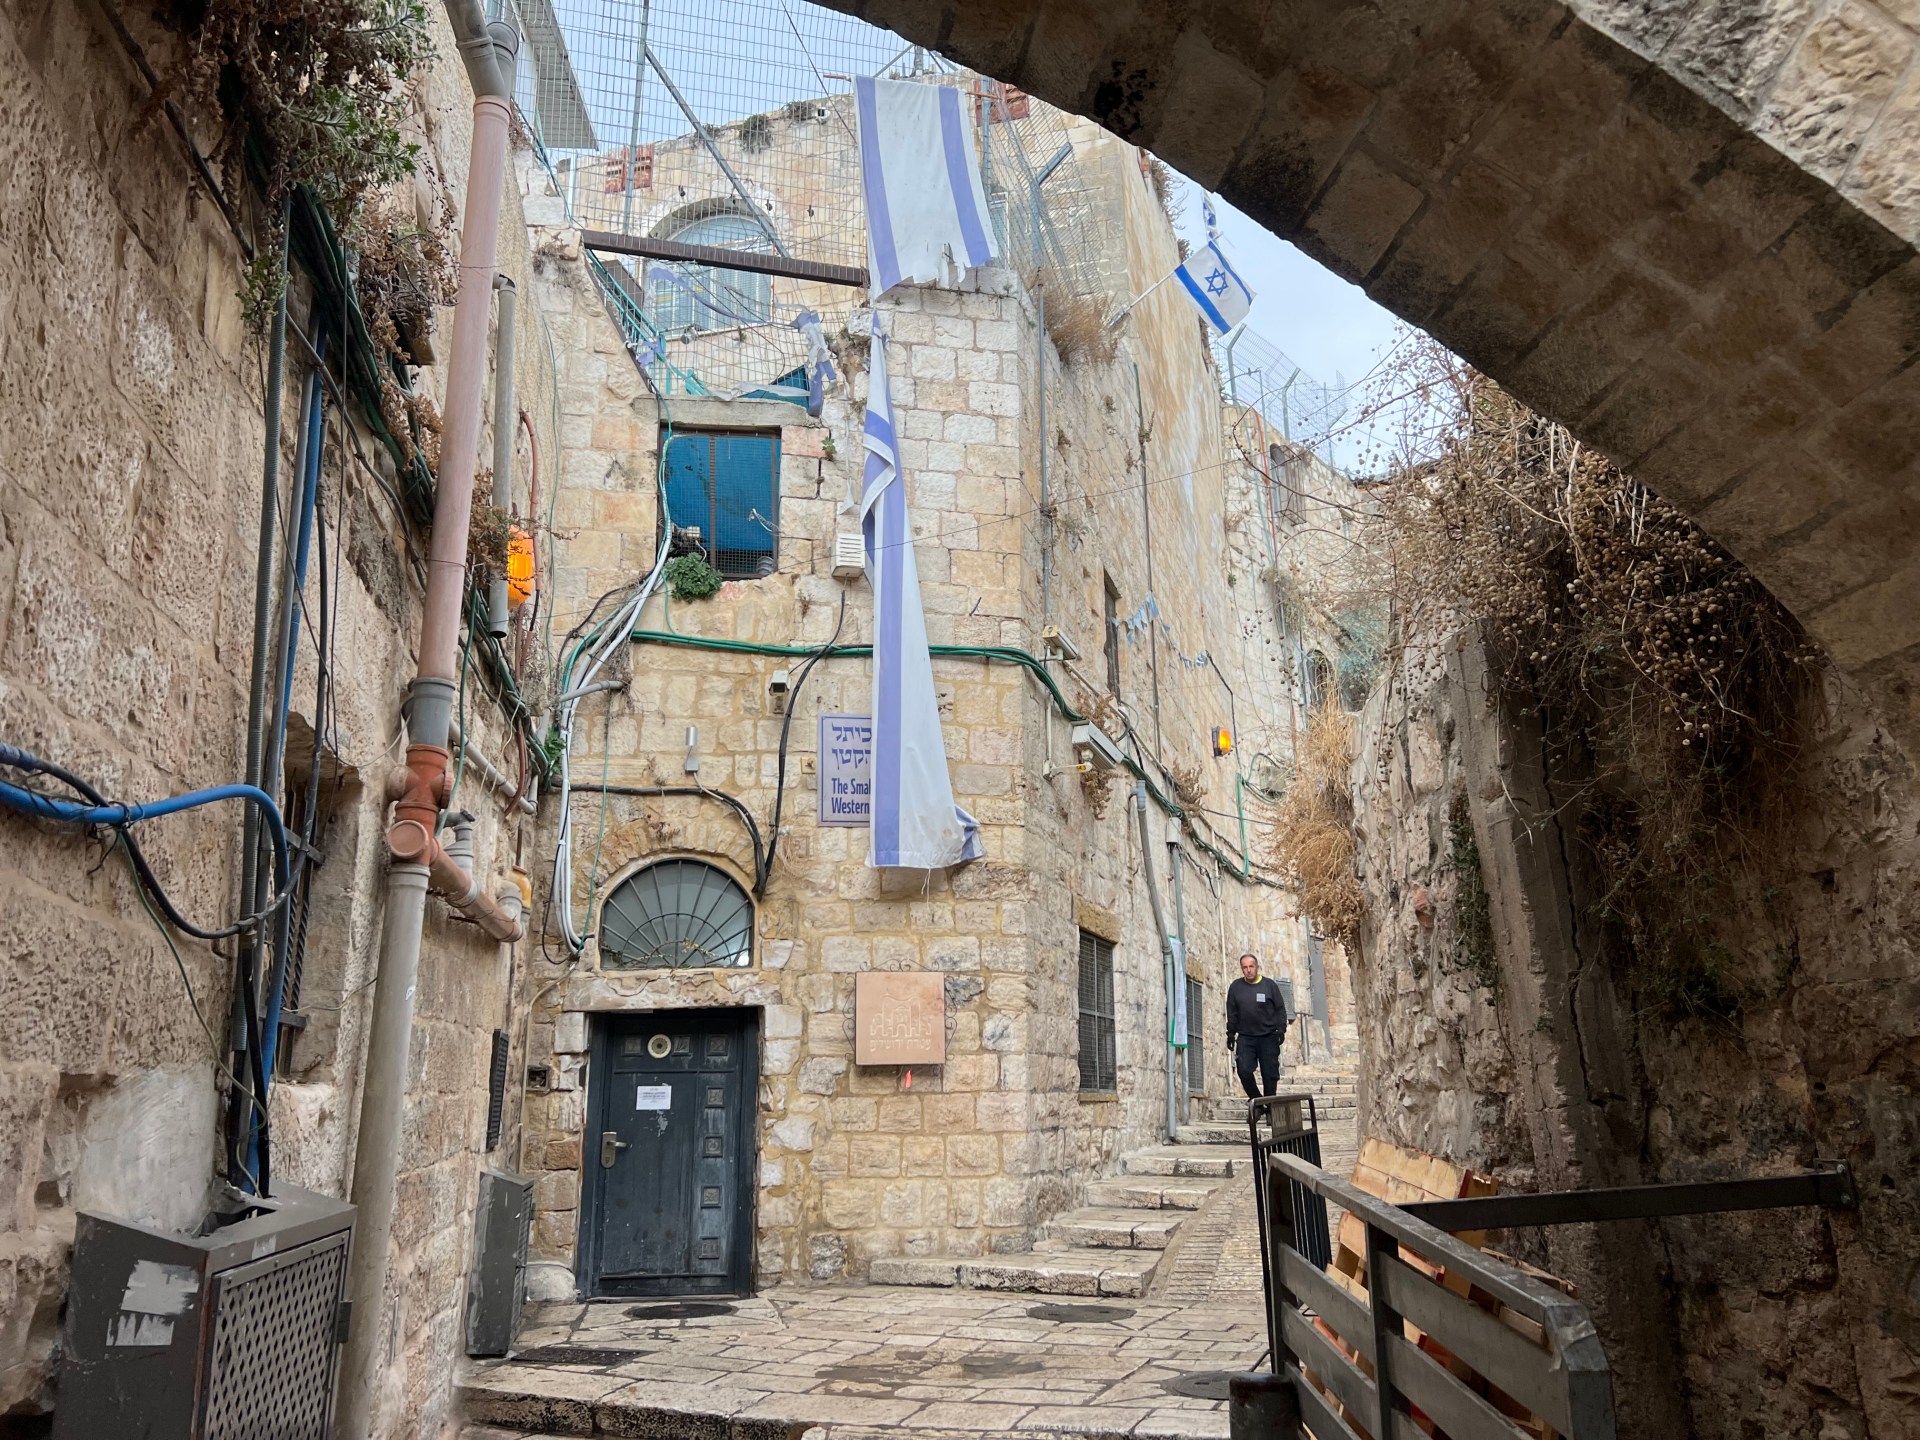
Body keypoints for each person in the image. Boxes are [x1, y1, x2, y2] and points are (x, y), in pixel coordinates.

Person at [1225, 952, 1288, 1099]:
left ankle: (1270, 1105)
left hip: (1268, 1036)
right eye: (1245, 967)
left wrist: (1281, 1030)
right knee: (1244, 1070)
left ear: (1257, 967)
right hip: (1246, 1037)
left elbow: (1280, 1009)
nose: (1248, 970)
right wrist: (1230, 1034)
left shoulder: (1269, 985)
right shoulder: (1235, 987)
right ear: (1242, 969)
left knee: (1270, 1074)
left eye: (1251, 966)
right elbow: (1232, 1013)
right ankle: (1257, 1101)